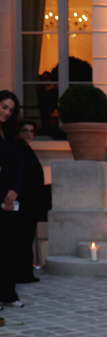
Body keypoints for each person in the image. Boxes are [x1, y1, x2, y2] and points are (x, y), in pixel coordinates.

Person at [0, 91, 24, 308]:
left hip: (10, 197)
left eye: (10, 109)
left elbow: (18, 165)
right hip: (1, 196)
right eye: (4, 107)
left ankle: (8, 293)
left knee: (8, 247)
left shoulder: (10, 133)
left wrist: (14, 191)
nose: (6, 112)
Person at [16, 119, 46, 283]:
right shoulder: (20, 149)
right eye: (25, 130)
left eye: (31, 131)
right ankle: (22, 273)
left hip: (31, 203)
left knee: (26, 238)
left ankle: (25, 272)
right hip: (24, 202)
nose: (29, 134)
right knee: (23, 239)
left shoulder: (26, 149)